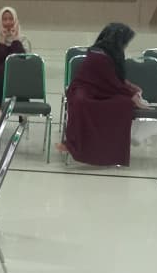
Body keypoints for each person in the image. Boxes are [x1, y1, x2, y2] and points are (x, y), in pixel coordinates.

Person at [57, 23, 150, 166]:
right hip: (84, 89)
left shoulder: (112, 53)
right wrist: (132, 95)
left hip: (102, 90)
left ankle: (111, 152)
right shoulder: (98, 54)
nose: (125, 45)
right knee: (82, 103)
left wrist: (130, 89)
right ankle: (78, 146)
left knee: (124, 104)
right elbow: (111, 81)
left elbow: (114, 79)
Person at [0, 6, 31, 123]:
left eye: (10, 19)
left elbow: (21, 58)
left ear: (15, 21)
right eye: (4, 19)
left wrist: (15, 39)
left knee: (19, 83)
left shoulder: (23, 39)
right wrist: (2, 39)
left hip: (18, 76)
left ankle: (21, 112)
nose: (8, 23)